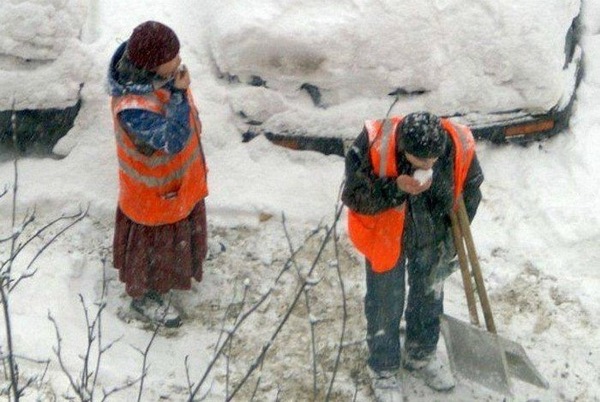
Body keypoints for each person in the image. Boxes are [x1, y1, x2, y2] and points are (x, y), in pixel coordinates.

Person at [342, 112, 484, 401]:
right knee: (385, 301)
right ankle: (383, 368)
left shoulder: (456, 141)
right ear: (403, 148)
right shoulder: (373, 144)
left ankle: (421, 354)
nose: (430, 165)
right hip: (386, 236)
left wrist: (452, 240)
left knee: (429, 294)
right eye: (422, 161)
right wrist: (395, 188)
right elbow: (354, 195)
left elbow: (471, 187)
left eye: (434, 159)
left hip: (431, 232)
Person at [107, 21, 209, 328]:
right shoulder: (133, 108)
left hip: (177, 188)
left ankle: (180, 264)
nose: (179, 62)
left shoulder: (160, 78)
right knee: (152, 255)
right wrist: (178, 95)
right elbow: (171, 141)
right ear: (152, 65)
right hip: (153, 200)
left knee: (177, 235)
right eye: (172, 58)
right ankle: (146, 296)